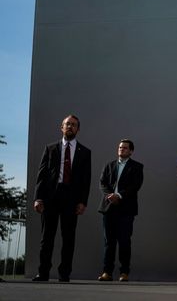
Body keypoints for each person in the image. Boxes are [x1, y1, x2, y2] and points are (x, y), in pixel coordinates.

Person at [32, 114, 92, 282]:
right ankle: (43, 273)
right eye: (67, 124)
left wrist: (82, 202)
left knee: (68, 238)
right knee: (47, 238)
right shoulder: (50, 148)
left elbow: (86, 179)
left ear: (78, 129)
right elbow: (41, 175)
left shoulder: (85, 152)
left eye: (73, 125)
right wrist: (38, 198)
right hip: (51, 197)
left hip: (71, 199)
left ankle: (64, 274)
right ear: (61, 127)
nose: (70, 127)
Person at [97, 139, 144, 282]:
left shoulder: (137, 167)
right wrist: (109, 195)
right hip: (108, 207)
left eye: (125, 148)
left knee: (124, 241)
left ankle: (124, 273)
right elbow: (102, 183)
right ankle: (107, 272)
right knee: (109, 242)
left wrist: (119, 195)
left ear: (131, 151)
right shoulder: (109, 165)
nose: (121, 149)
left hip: (126, 209)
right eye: (120, 147)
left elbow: (135, 185)